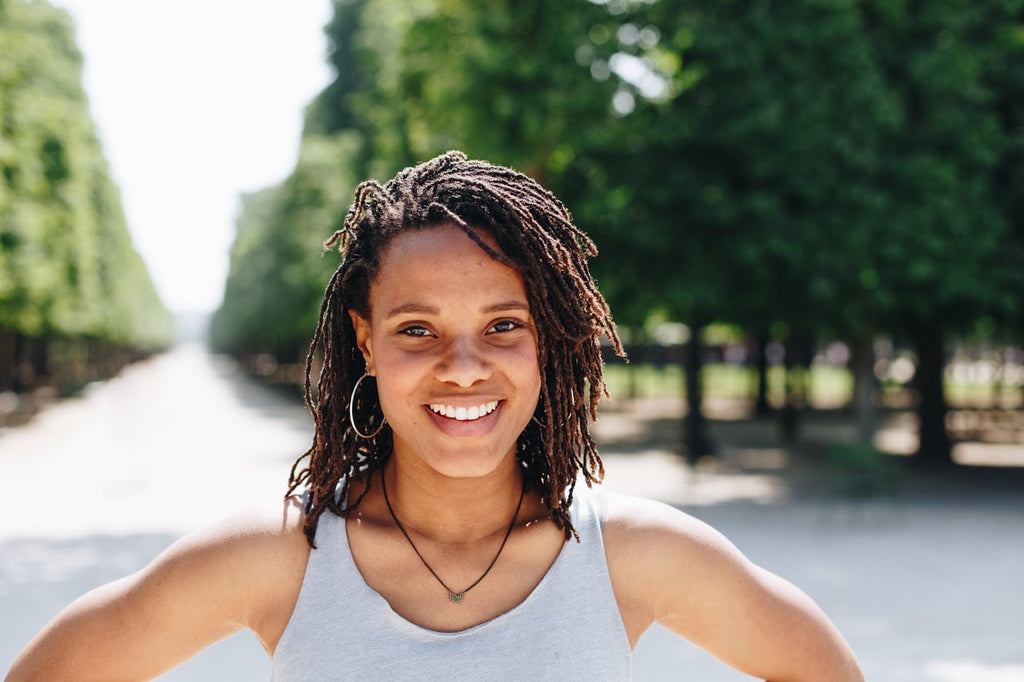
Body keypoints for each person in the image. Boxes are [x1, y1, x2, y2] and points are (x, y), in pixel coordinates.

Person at [7, 151, 863, 681]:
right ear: (366, 342)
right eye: (418, 330)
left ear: (547, 343)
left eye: (503, 326)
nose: (463, 366)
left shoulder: (636, 556)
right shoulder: (278, 559)